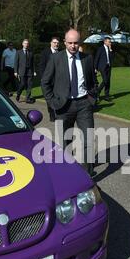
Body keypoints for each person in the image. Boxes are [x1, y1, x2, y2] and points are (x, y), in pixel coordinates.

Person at [41, 29, 97, 176]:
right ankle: (66, 171)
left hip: (84, 104)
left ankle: (87, 173)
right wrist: (52, 102)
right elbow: (45, 82)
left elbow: (93, 82)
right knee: (64, 142)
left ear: (80, 42)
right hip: (63, 106)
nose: (73, 46)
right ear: (65, 42)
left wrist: (92, 98)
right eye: (70, 43)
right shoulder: (55, 59)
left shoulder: (87, 59)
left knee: (88, 139)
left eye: (76, 43)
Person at [40, 37, 60, 121]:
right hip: (48, 80)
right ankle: (52, 114)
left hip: (59, 80)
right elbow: (42, 66)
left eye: (57, 43)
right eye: (54, 42)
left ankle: (59, 113)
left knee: (59, 97)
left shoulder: (61, 52)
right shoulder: (45, 53)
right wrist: (44, 79)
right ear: (51, 43)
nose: (56, 44)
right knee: (50, 98)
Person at [15, 39, 36, 103]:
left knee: (29, 85)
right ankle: (18, 95)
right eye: (25, 43)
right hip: (22, 71)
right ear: (22, 44)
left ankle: (27, 98)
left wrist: (34, 71)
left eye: (27, 43)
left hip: (29, 71)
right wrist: (15, 71)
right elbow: (16, 62)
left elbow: (33, 63)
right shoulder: (18, 52)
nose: (26, 45)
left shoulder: (31, 52)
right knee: (22, 84)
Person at [94, 36, 114, 102]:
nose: (110, 43)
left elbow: (112, 58)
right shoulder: (100, 49)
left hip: (108, 66)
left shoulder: (109, 49)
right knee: (105, 80)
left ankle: (107, 96)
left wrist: (110, 50)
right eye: (109, 42)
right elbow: (97, 58)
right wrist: (95, 67)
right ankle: (97, 92)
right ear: (105, 42)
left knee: (108, 82)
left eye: (110, 42)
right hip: (102, 67)